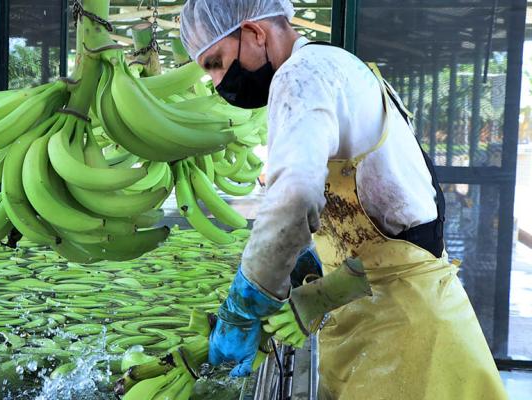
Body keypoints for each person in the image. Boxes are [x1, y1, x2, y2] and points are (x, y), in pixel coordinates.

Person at [179, 0, 508, 398]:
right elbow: (391, 214)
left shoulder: (300, 75)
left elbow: (294, 197)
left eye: (215, 62)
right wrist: (310, 267)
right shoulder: (336, 67)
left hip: (404, 337)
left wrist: (246, 305)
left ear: (254, 33)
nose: (217, 81)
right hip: (391, 313)